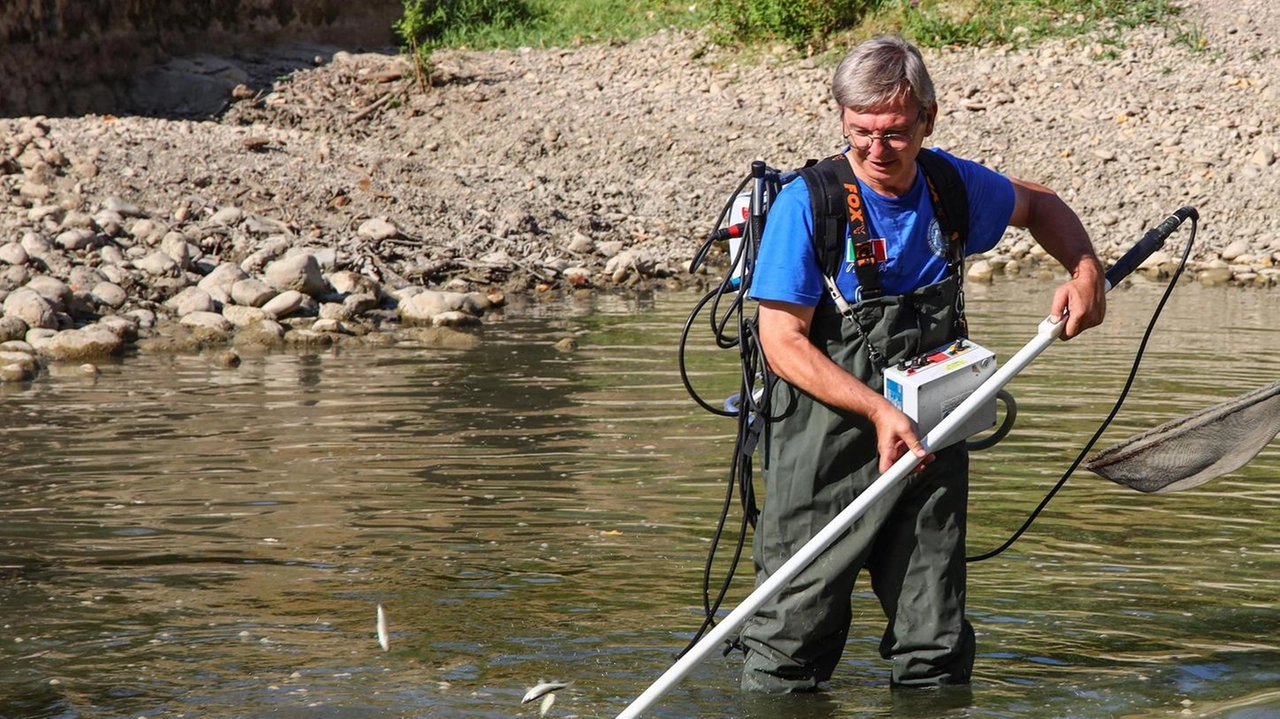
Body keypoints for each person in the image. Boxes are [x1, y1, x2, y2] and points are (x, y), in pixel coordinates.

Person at [737, 35, 1107, 693]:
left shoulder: (951, 186)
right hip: (825, 450)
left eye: (896, 133)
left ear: (927, 120)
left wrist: (1084, 271)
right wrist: (878, 408)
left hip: (932, 443)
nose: (878, 150)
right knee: (789, 646)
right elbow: (781, 341)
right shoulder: (807, 205)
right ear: (843, 122)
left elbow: (1039, 204)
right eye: (861, 134)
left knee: (935, 645)